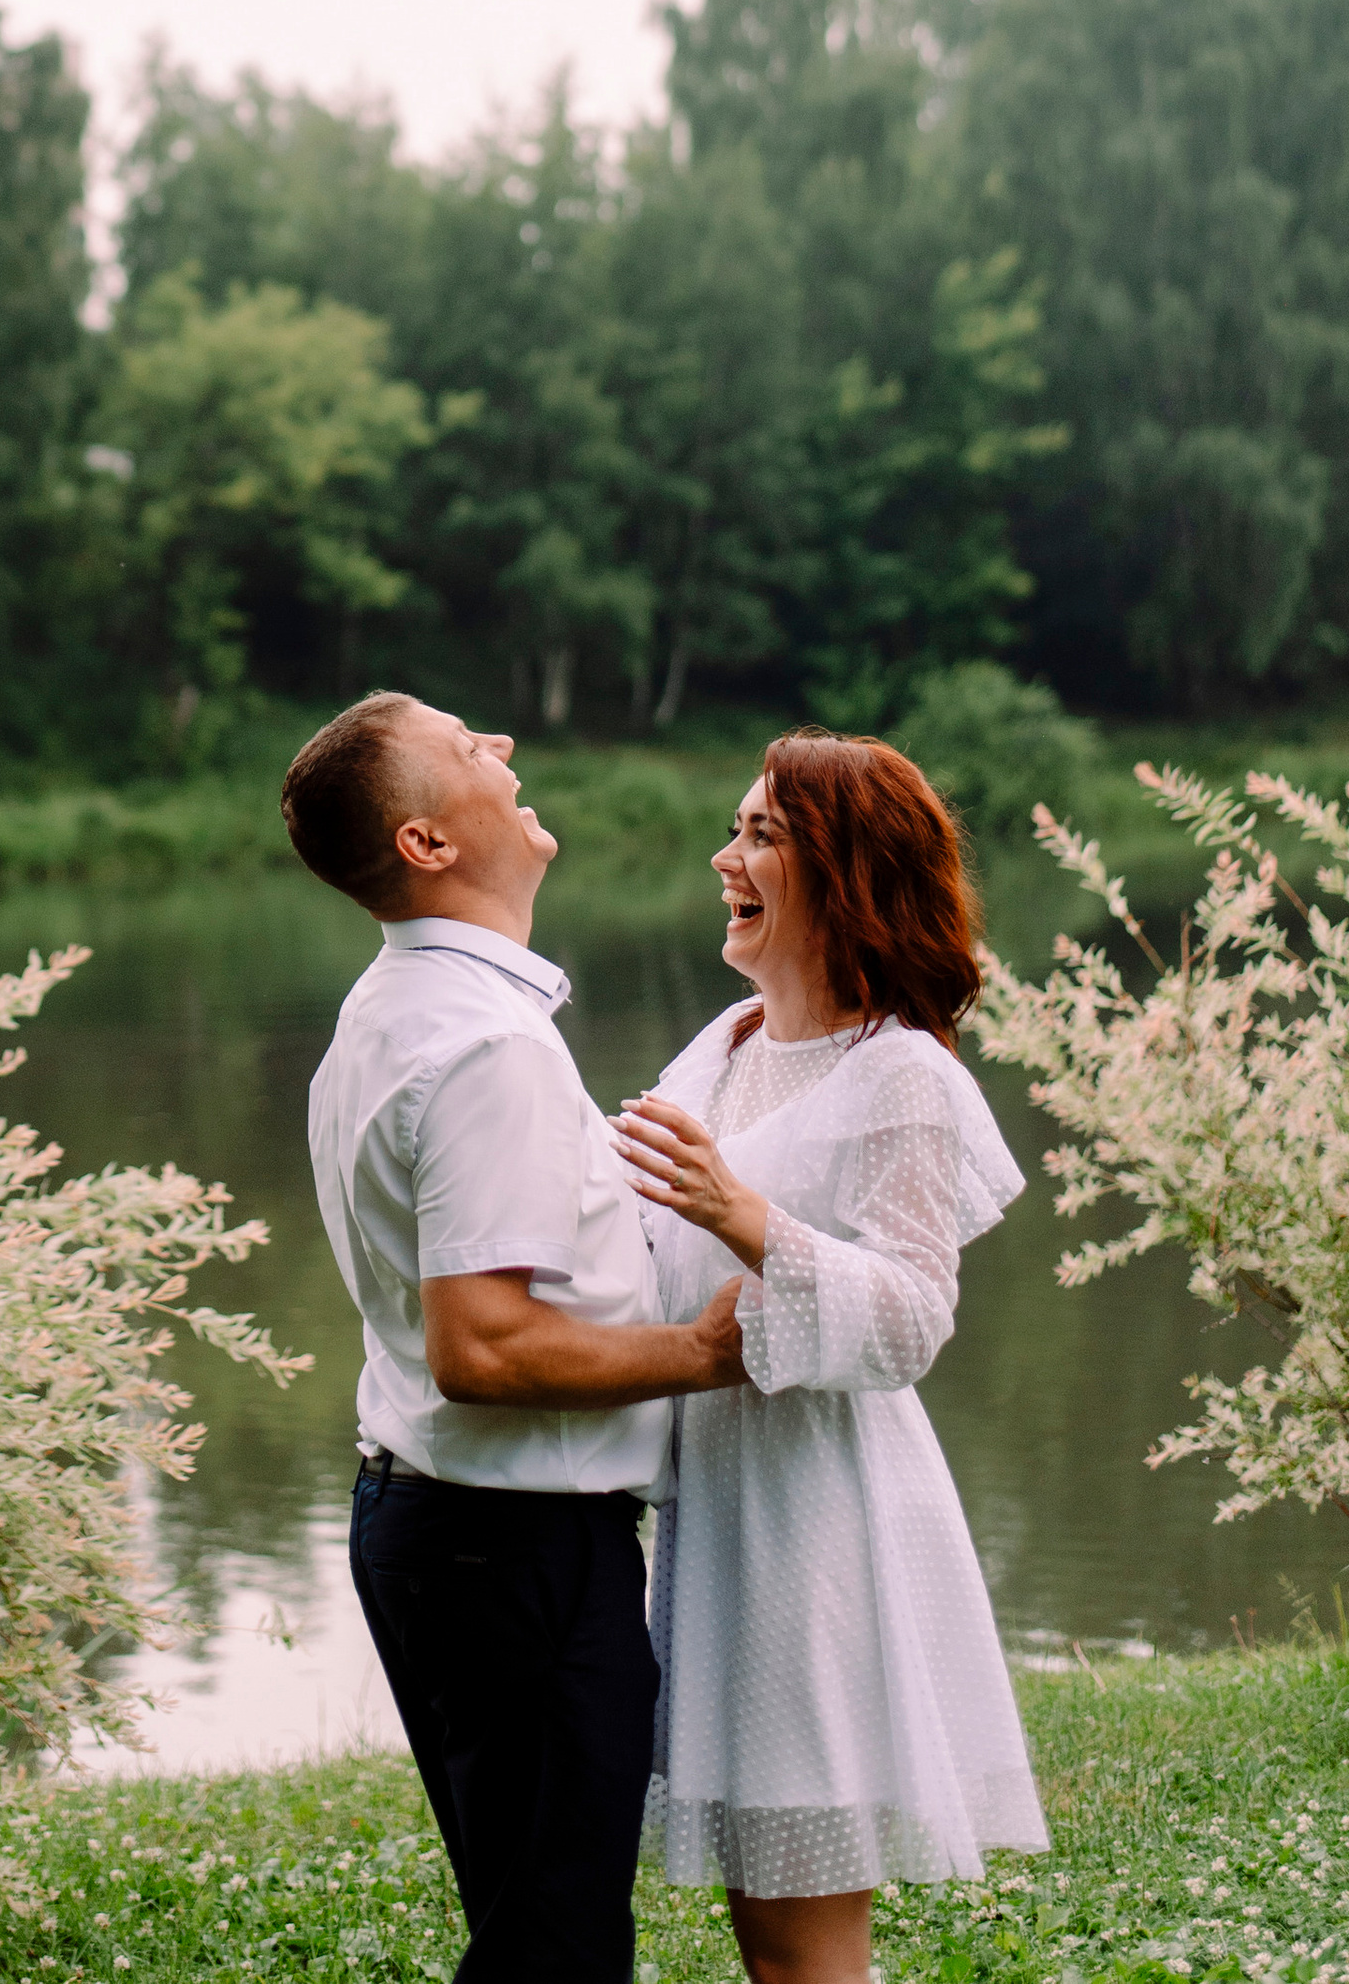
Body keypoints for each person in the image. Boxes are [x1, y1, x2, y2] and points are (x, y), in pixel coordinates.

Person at [284, 691, 749, 1984]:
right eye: (466, 746)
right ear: (427, 841)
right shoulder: (482, 1044)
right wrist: (709, 1350)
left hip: (454, 1532)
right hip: (510, 1545)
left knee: (540, 1927)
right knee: (556, 1948)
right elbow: (482, 1348)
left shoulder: (398, 1012)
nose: (502, 745)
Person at [615, 729, 1049, 1984]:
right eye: (734, 830)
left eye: (759, 835)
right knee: (763, 1927)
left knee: (805, 1942)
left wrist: (739, 1214)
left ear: (846, 871)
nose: (724, 857)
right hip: (720, 1514)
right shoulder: (727, 1041)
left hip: (820, 1527)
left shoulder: (899, 1073)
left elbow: (915, 1318)